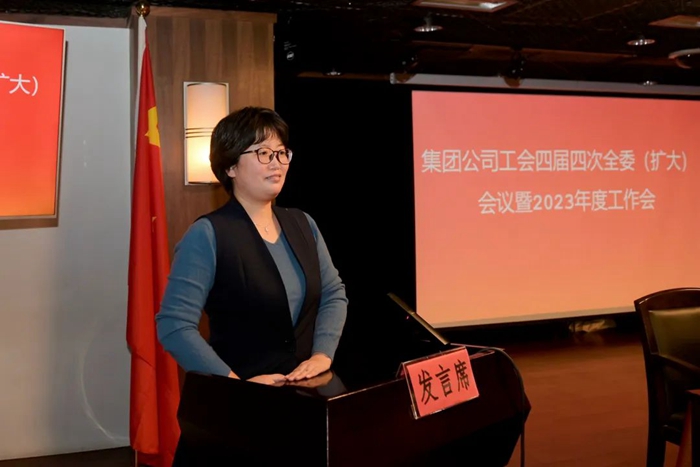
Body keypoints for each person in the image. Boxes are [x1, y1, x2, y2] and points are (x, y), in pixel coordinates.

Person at [155, 106, 348, 387]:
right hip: (242, 403)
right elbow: (174, 325)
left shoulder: (303, 224)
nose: (276, 163)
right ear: (230, 167)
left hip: (310, 393)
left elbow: (333, 293)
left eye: (281, 153)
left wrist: (322, 354)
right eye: (263, 153)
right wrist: (237, 387)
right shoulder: (208, 234)